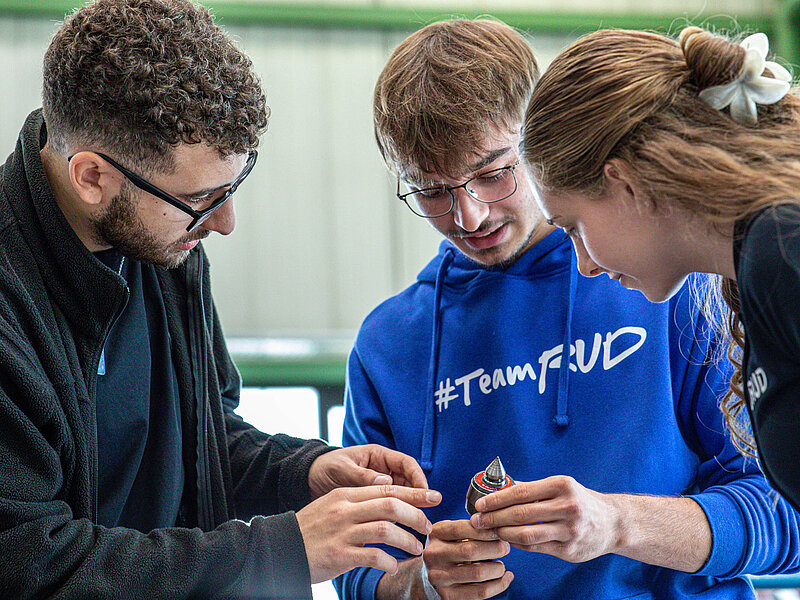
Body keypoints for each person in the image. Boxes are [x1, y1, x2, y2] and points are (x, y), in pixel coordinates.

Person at [333, 19, 800, 600]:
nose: (469, 216)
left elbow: (785, 512)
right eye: (432, 190)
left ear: (542, 143)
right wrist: (418, 583)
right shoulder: (387, 344)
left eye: (493, 173)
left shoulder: (674, 280)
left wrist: (618, 524)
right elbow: (355, 566)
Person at [0, 1, 442, 598]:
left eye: (233, 185)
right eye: (203, 196)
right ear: (92, 177)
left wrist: (302, 474)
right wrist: (281, 550)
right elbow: (33, 566)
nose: (225, 221)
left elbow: (203, 440)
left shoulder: (163, 241)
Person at [522, 26, 800, 514]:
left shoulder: (781, 248)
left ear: (624, 184)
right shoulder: (755, 267)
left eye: (573, 228)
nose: (583, 266)